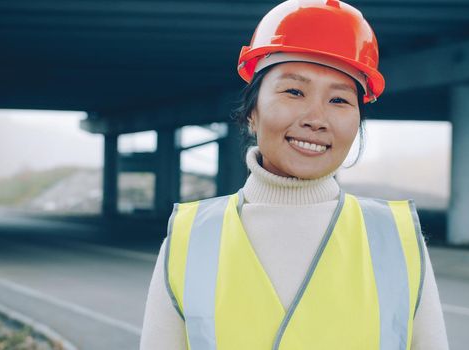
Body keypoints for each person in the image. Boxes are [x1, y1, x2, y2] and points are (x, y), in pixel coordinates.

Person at [140, 0, 449, 349]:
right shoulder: (190, 237)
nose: (316, 118)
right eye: (294, 91)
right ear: (251, 113)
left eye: (339, 100)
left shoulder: (396, 238)